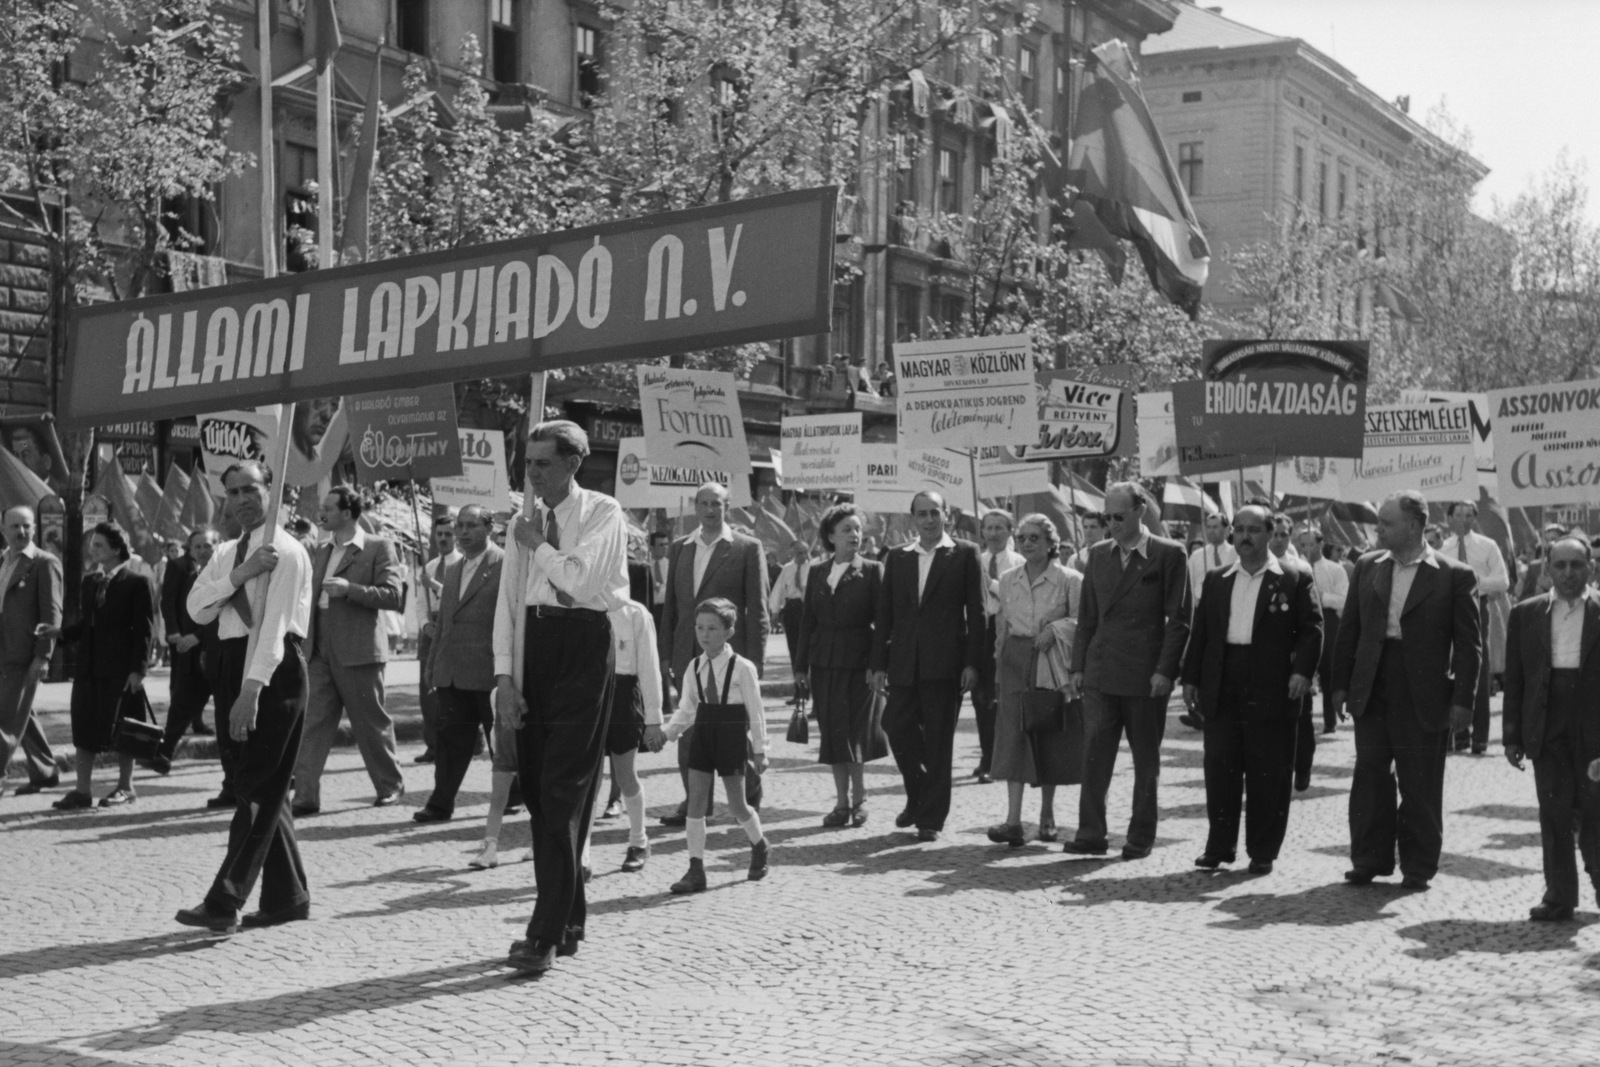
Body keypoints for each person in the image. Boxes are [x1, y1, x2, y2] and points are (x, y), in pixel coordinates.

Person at [493, 420, 627, 976]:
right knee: (543, 800)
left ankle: (542, 934)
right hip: (533, 645)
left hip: (582, 645)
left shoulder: (601, 512)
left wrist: (537, 543)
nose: (532, 473)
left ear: (573, 463)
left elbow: (576, 581)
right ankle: (569, 918)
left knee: (564, 791)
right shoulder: (523, 522)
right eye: (527, 463)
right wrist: (505, 680)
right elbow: (507, 602)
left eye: (542, 463)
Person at [175, 460, 314, 932]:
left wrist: (252, 690)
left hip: (273, 672)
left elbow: (273, 628)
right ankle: (287, 897)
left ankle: (224, 900)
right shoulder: (229, 552)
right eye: (232, 493)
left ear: (272, 490)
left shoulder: (287, 551)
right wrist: (240, 574)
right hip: (231, 662)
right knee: (254, 784)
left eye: (251, 489)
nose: (241, 501)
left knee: (256, 789)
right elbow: (197, 608)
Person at [1331, 489, 1479, 891]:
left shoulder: (1453, 575)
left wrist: (1463, 701)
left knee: (1420, 782)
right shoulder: (1366, 566)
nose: (1378, 529)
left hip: (1425, 691)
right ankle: (1368, 858)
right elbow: (1350, 630)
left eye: (1386, 523)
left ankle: (1417, 866)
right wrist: (1340, 685)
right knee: (1370, 776)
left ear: (1415, 526)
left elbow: (1469, 646)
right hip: (1373, 686)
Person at [1181, 505, 1322, 874]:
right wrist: (1192, 677)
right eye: (1239, 529)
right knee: (1220, 765)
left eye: (1254, 530)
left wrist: (1302, 672)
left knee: (1268, 770)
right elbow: (1202, 634)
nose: (1244, 536)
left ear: (1270, 533)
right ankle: (1219, 845)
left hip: (1273, 684)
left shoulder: (1294, 578)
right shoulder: (1216, 579)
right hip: (1224, 678)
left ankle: (1262, 849)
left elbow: (1312, 630)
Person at [1066, 482, 1190, 860]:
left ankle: (1140, 836)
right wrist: (1078, 666)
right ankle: (1091, 833)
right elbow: (1086, 617)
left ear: (1140, 511)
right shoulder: (1098, 555)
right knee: (1094, 755)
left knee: (1145, 762)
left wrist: (1165, 671)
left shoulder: (1169, 554)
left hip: (1144, 675)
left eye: (1119, 517)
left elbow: (1179, 619)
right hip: (1102, 672)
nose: (1113, 524)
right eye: (1107, 518)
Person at [870, 490, 984, 843]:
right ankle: (919, 794)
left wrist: (972, 663)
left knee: (938, 743)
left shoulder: (965, 553)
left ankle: (930, 819)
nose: (929, 519)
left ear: (947, 515)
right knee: (894, 724)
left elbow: (976, 613)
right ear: (912, 519)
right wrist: (877, 664)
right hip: (904, 661)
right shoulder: (898, 557)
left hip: (945, 663)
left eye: (935, 512)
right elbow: (884, 614)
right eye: (922, 514)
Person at [291, 486, 407, 816]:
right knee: (311, 723)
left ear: (346, 512)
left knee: (370, 723)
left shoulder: (378, 546)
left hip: (359, 649)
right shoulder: (320, 550)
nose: (321, 513)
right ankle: (305, 796)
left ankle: (390, 785)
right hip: (318, 647)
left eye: (328, 508)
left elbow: (393, 596)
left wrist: (349, 589)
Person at [658, 481, 769, 825]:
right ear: (695, 506)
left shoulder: (746, 548)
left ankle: (748, 799)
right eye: (703, 503)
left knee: (736, 731)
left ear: (727, 507)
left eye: (716, 504)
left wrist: (755, 664)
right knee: (689, 726)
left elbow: (758, 609)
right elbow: (672, 609)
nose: (709, 510)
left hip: (730, 658)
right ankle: (696, 802)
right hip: (688, 654)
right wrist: (666, 656)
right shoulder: (680, 548)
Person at [1503, 533, 1600, 922]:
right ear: (1547, 570)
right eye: (1559, 565)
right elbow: (1516, 680)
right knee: (1554, 810)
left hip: (1593, 725)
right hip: (1546, 722)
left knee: (1596, 810)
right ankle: (1559, 896)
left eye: (1577, 565)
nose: (1568, 573)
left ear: (1591, 568)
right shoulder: (1525, 614)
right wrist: (1512, 736)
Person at [986, 514, 1082, 846]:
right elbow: (1002, 624)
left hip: (1049, 661)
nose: (1028, 543)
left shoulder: (1070, 579)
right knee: (1013, 735)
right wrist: (999, 663)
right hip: (1015, 659)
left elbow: (1082, 620)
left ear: (1051, 542)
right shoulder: (1008, 577)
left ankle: (1047, 815)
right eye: (1023, 538)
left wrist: (1055, 630)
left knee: (1047, 735)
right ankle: (1013, 820)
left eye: (1035, 538)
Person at [662, 597, 770, 891]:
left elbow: (756, 709)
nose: (704, 634)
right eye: (699, 627)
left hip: (731, 735)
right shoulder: (694, 667)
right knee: (695, 804)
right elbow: (687, 708)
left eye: (712, 628)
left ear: (728, 631)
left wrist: (760, 749)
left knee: (737, 804)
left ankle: (759, 845)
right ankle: (696, 869)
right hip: (703, 735)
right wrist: (668, 733)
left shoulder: (742, 667)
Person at [413, 506, 509, 827]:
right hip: (452, 673)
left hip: (490, 673)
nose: (464, 532)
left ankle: (514, 795)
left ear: (490, 528)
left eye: (472, 526)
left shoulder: (506, 565)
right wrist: (433, 663)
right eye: (460, 526)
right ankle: (440, 804)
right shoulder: (452, 570)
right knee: (450, 744)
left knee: (501, 744)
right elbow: (443, 625)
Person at [48, 522, 155, 810]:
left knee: (122, 729)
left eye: (99, 545)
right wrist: (61, 634)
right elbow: (88, 625)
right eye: (92, 544)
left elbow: (145, 630)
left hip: (121, 670)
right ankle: (82, 791)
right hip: (88, 668)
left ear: (116, 549)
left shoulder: (137, 582)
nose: (92, 549)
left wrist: (138, 670)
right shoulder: (91, 582)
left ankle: (125, 787)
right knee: (83, 726)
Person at [795, 503, 885, 828]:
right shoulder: (818, 571)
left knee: (855, 733)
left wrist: (877, 666)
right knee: (832, 734)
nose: (855, 535)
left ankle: (860, 799)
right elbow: (807, 621)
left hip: (859, 665)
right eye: (846, 529)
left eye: (858, 529)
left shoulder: (873, 570)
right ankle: (841, 802)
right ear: (830, 536)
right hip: (824, 664)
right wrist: (800, 667)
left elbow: (883, 623)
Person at [0, 507, 62, 799]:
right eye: (14, 526)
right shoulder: (3, 561)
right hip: (3, 652)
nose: (20, 532)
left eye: (26, 526)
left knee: (5, 723)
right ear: (3, 529)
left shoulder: (44, 563)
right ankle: (44, 770)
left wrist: (43, 656)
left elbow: (51, 613)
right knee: (22, 715)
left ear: (34, 529)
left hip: (23, 655)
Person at [1440, 500, 1509, 755]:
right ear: (1449, 519)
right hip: (1448, 612)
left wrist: (1475, 582)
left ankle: (1480, 737)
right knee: (1450, 670)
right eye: (1458, 514)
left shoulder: (1487, 546)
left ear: (1475, 518)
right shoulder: (1442, 548)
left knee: (1479, 670)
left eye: (1469, 515)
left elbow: (1502, 581)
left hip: (1478, 609)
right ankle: (1458, 736)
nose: (1463, 519)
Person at [153, 528, 220, 780]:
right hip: (190, 653)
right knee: (181, 702)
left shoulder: (227, 573)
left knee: (226, 715)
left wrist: (199, 636)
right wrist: (178, 634)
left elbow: (224, 612)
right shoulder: (187, 572)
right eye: (198, 547)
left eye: (208, 546)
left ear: (218, 546)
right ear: (190, 550)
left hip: (219, 652)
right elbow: (171, 603)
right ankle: (164, 754)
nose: (203, 551)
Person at [972, 509, 1024, 783]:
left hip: (1006, 631)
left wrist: (990, 583)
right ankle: (985, 756)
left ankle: (998, 759)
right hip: (981, 631)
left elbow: (1014, 599)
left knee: (999, 698)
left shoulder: (1019, 562)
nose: (993, 533)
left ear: (1010, 531)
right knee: (980, 698)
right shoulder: (974, 560)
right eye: (989, 528)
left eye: (999, 528)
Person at [1294, 526, 1349, 737]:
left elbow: (1344, 599)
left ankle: (1330, 719)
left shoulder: (1334, 569)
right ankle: (1301, 719)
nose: (1307, 549)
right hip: (1301, 621)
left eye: (1311, 544)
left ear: (1320, 544)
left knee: (1328, 671)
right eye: (1303, 545)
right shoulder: (1296, 567)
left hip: (1328, 620)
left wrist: (1320, 595)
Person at [414, 515, 460, 766]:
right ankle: (432, 745)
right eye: (439, 534)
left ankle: (463, 742)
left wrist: (434, 585)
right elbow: (421, 603)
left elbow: (457, 597)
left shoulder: (463, 564)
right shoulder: (429, 566)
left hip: (453, 628)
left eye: (448, 534)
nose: (443, 538)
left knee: (455, 689)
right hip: (431, 631)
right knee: (428, 691)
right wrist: (424, 625)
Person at [768, 539, 814, 700]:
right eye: (799, 552)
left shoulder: (814, 568)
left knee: (809, 652)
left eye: (805, 552)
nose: (803, 556)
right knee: (795, 651)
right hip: (791, 610)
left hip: (807, 611)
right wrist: (774, 612)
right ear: (792, 554)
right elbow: (778, 590)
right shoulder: (787, 569)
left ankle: (812, 692)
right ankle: (799, 692)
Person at [1187, 511, 1237, 607]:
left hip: (1227, 605)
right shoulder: (1196, 556)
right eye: (1208, 527)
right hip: (1201, 605)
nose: (1211, 531)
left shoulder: (1235, 554)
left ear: (1226, 529)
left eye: (1215, 527)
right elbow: (1190, 583)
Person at [1519, 523, 1569, 600]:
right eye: (1546, 540)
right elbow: (1524, 598)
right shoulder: (1535, 567)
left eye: (1553, 539)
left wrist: (1551, 587)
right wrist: (1536, 594)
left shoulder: (1571, 565)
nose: (1549, 543)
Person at [646, 530, 671, 628]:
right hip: (649, 609)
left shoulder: (672, 565)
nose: (665, 548)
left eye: (666, 544)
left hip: (666, 610)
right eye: (661, 545)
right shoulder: (645, 566)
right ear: (651, 548)